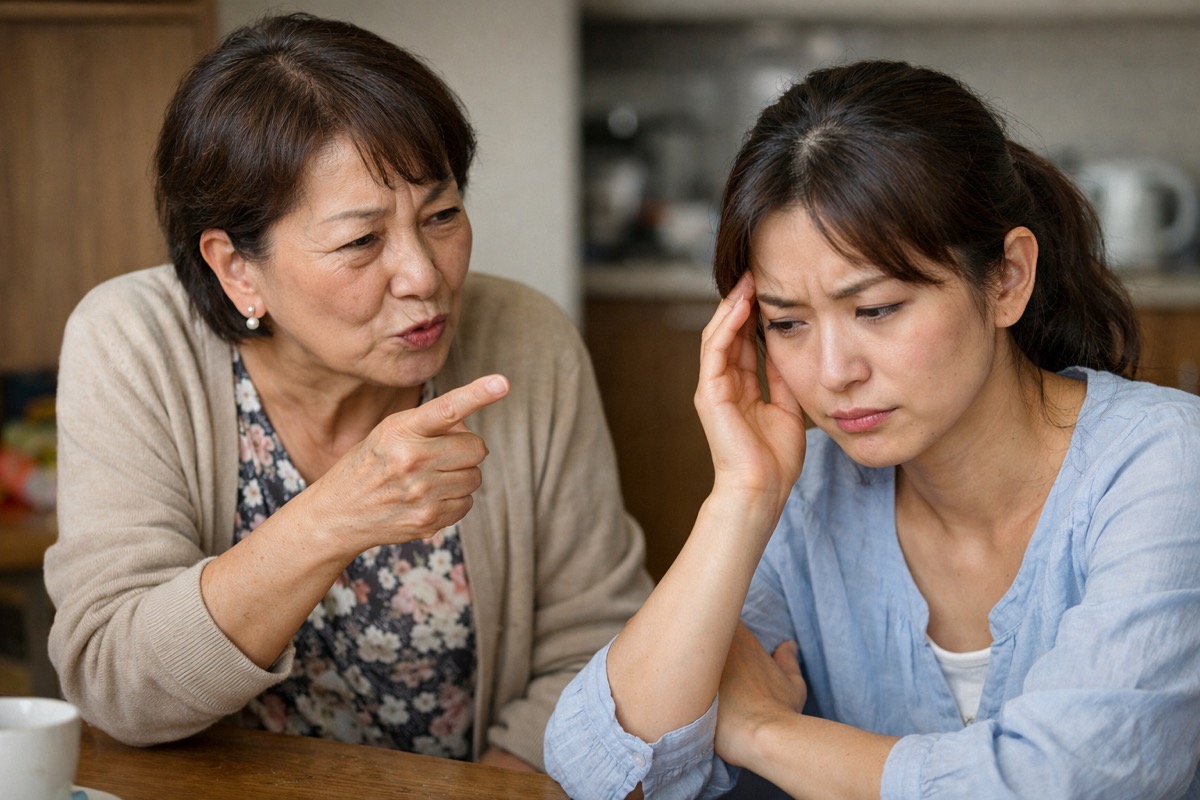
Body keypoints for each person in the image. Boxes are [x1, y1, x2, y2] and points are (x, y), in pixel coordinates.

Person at [545, 59, 1200, 798]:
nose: (832, 372)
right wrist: (743, 496)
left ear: (1008, 278)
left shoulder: (1166, 462)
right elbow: (600, 770)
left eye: (877, 309)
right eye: (786, 323)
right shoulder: (806, 491)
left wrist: (764, 732)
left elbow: (1064, 783)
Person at [44, 12, 652, 772]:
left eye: (442, 214)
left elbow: (599, 646)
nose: (424, 276)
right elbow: (116, 685)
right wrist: (333, 519)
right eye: (360, 242)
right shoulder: (133, 342)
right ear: (237, 268)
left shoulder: (526, 338)